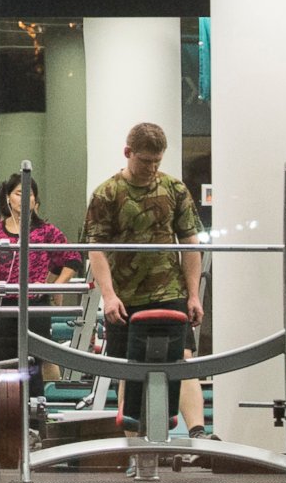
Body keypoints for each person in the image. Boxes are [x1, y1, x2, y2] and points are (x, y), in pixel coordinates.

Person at [82, 121, 211, 441]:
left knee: (182, 359)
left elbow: (191, 244)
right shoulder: (107, 193)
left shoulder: (175, 189)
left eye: (157, 162)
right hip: (126, 298)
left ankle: (198, 432)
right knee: (131, 366)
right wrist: (109, 296)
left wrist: (193, 295)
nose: (152, 168)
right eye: (145, 161)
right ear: (128, 153)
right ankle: (133, 445)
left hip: (170, 291)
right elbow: (95, 250)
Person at [0, 171, 80, 366]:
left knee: (35, 365)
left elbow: (73, 259)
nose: (25, 198)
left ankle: (35, 396)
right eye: (19, 193)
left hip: (35, 306)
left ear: (36, 200)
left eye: (30, 193)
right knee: (3, 365)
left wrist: (55, 287)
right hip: (3, 306)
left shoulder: (47, 232)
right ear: (8, 198)